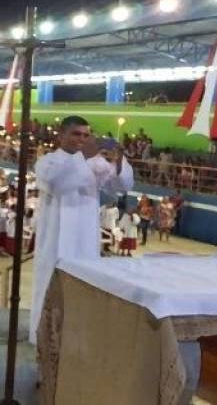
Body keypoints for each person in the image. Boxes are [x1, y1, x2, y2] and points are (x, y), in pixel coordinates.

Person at [30, 116, 134, 344]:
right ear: (61, 135)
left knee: (83, 286)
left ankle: (77, 338)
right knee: (50, 286)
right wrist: (83, 157)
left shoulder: (95, 163)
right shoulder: (47, 162)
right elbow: (59, 185)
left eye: (86, 135)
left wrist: (119, 159)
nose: (82, 139)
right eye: (76, 134)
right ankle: (42, 337)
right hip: (55, 238)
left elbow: (122, 186)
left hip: (84, 238)